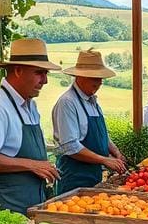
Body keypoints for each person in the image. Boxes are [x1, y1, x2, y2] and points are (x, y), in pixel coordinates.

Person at [0, 38, 61, 215]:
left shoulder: (29, 105)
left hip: (32, 203)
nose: (45, 80)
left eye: (46, 73)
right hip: (7, 207)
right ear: (18, 70)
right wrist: (31, 165)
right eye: (39, 73)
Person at [52, 49, 127, 194]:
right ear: (80, 76)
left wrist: (115, 152)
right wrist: (105, 160)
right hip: (74, 176)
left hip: (93, 174)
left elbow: (102, 134)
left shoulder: (92, 101)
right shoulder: (67, 103)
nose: (99, 82)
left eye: (101, 78)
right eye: (95, 78)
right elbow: (71, 146)